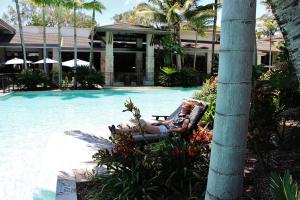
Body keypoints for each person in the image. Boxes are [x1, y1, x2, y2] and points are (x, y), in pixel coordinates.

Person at [109, 100, 195, 136]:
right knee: (141, 121)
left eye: (185, 105)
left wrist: (171, 130)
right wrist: (159, 122)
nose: (183, 106)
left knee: (142, 126)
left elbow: (183, 130)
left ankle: (118, 131)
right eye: (183, 104)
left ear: (188, 108)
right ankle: (122, 130)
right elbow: (169, 121)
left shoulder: (186, 118)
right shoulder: (179, 113)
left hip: (166, 132)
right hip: (163, 127)